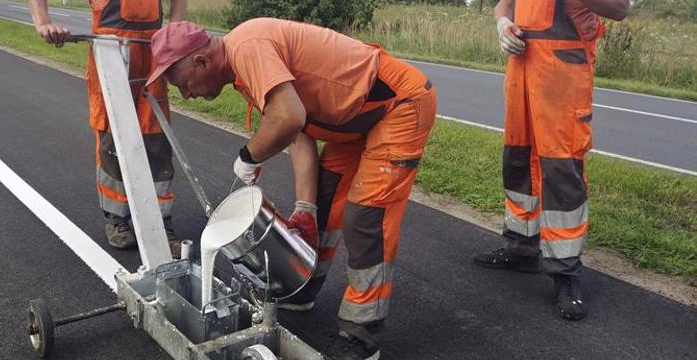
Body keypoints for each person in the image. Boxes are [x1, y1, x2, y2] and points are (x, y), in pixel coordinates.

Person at [146, 19, 437, 360]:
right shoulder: (243, 69)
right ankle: (303, 286)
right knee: (325, 200)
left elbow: (287, 117)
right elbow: (299, 135)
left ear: (202, 62)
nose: (187, 95)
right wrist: (306, 208)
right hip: (355, 121)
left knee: (366, 216)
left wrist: (249, 156)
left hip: (396, 106)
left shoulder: (247, 46)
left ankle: (362, 333)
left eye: (183, 85)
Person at [473, 0, 629, 320]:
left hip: (563, 73)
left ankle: (565, 272)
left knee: (561, 173)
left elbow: (620, 8)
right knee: (518, 163)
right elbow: (504, 6)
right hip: (521, 69)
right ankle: (521, 250)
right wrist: (503, 25)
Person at [26, 0, 188, 253]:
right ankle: (117, 218)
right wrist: (43, 22)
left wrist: (175, 26)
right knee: (113, 139)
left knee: (156, 139)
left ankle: (160, 222)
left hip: (152, 50)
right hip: (109, 50)